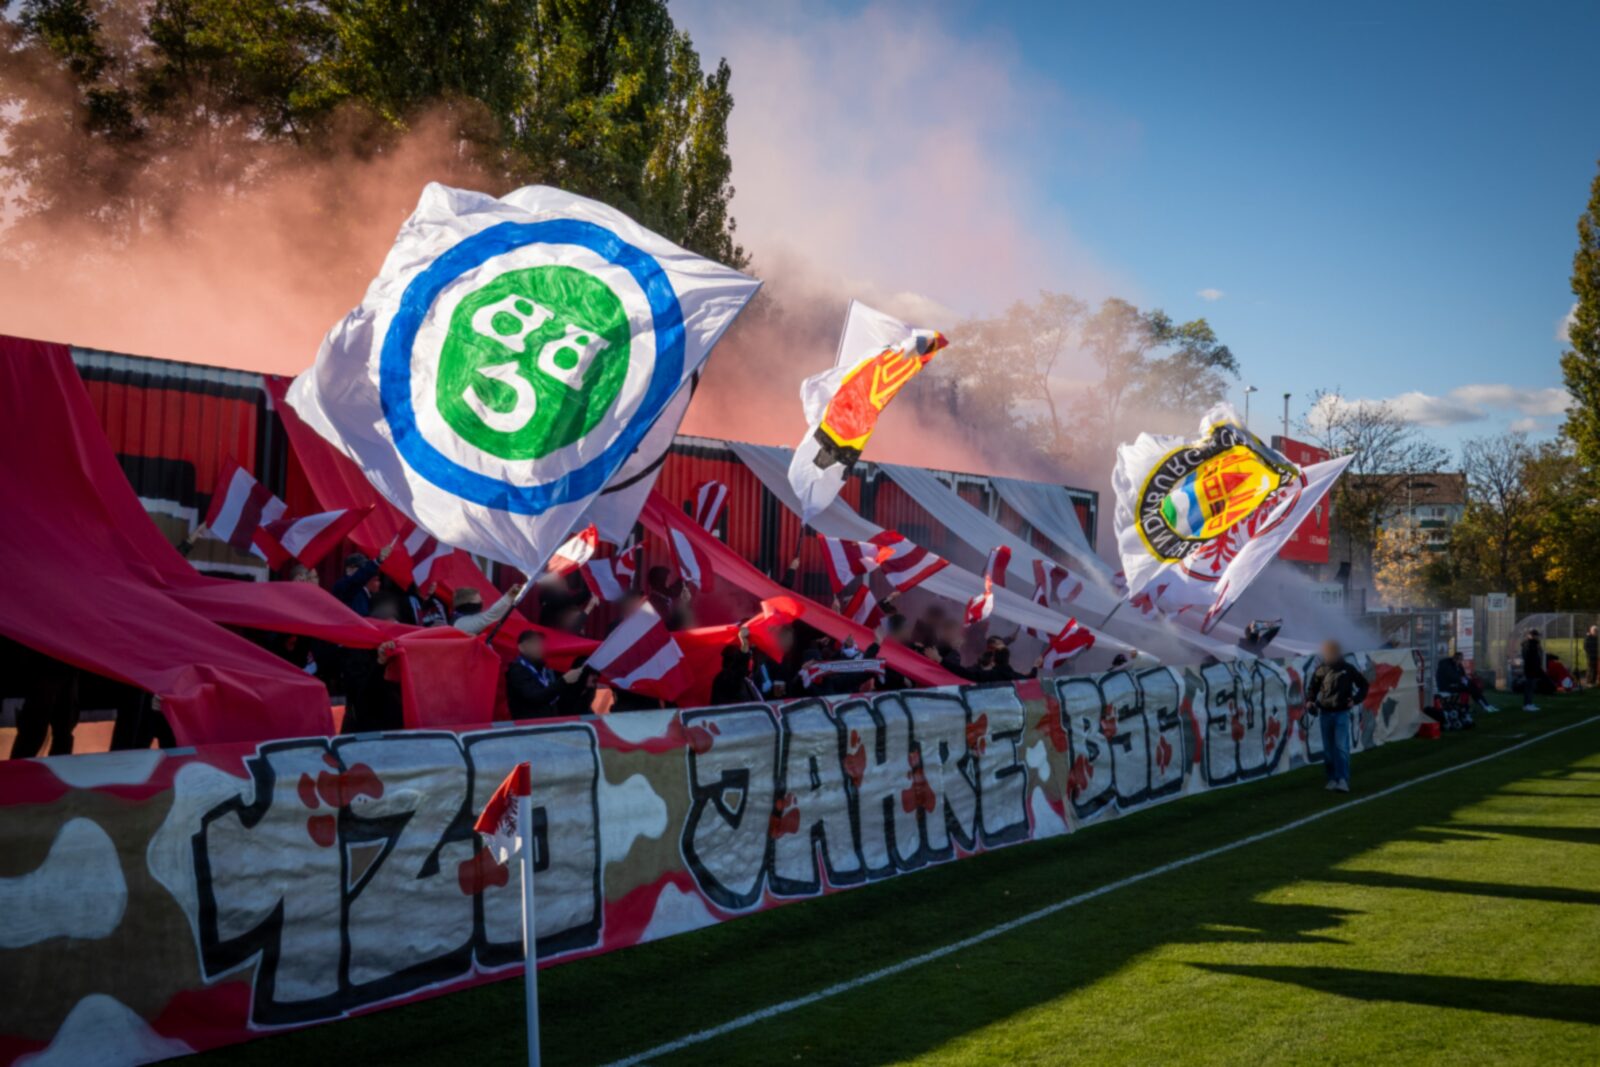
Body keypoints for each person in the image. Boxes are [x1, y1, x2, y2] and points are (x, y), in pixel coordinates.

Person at [1306, 640, 1369, 794]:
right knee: (1328, 750)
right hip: (1325, 713)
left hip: (1341, 713)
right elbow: (1312, 688)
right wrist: (1310, 702)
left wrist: (1355, 700)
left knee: (1341, 748)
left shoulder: (1348, 669)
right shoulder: (1321, 670)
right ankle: (1332, 778)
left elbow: (1364, 685)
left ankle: (1342, 780)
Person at [505, 630, 581, 720]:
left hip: (549, 724)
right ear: (522, 648)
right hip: (529, 728)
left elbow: (554, 695)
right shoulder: (517, 670)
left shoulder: (543, 669)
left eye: (540, 644)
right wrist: (563, 681)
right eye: (534, 643)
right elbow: (535, 697)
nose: (539, 647)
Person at [333, 546, 392, 616]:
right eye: (361, 569)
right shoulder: (342, 585)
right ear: (349, 569)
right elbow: (357, 578)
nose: (364, 572)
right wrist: (378, 561)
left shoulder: (364, 591)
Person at [452, 583, 522, 636]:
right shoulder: (460, 624)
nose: (482, 601)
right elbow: (490, 615)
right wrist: (509, 596)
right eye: (479, 600)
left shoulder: (459, 617)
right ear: (467, 603)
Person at [1520, 629, 1544, 712]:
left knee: (1532, 686)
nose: (1538, 637)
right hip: (1529, 668)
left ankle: (1529, 703)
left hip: (1533, 668)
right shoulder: (1528, 644)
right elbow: (1527, 657)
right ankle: (1527, 704)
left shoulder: (1534, 644)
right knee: (1529, 687)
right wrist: (1533, 666)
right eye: (1536, 635)